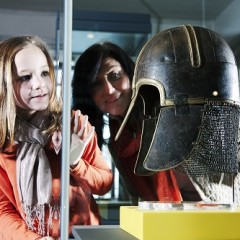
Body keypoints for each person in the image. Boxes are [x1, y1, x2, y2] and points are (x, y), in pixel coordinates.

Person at [0, 36, 113, 240]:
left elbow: (104, 184)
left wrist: (75, 163)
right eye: (25, 77)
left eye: (44, 73)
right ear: (5, 85)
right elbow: (2, 211)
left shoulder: (73, 124)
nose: (39, 84)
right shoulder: (3, 141)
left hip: (82, 236)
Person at [72, 42, 201, 204]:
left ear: (131, 75)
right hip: (160, 223)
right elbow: (138, 201)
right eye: (96, 84)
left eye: (115, 76)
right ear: (88, 95)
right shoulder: (117, 141)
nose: (109, 90)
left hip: (214, 214)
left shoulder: (168, 113)